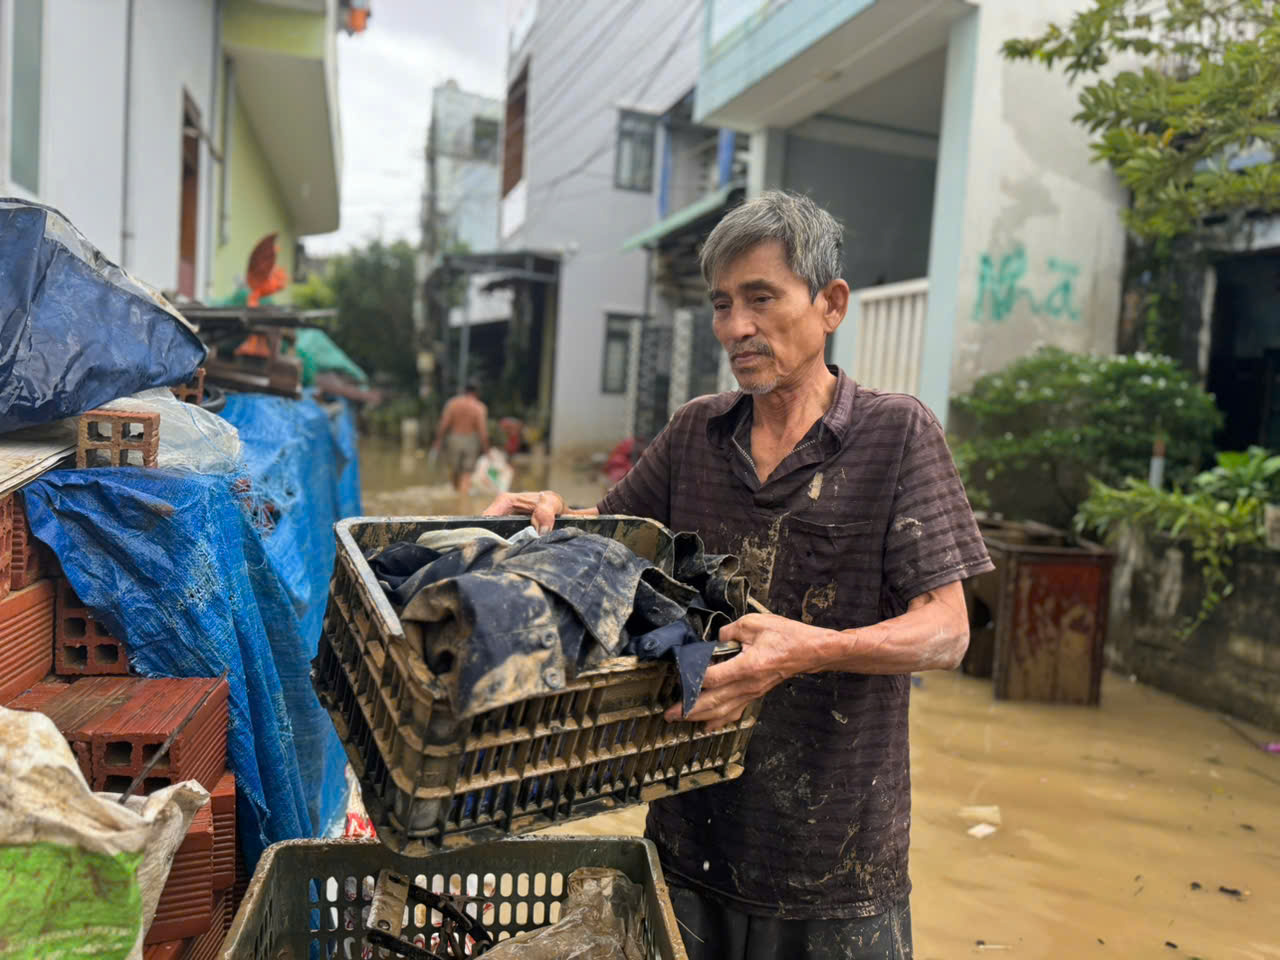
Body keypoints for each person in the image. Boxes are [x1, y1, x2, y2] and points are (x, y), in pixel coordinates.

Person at [484, 191, 993, 960]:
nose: (735, 327)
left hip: (838, 866)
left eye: (761, 298)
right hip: (689, 838)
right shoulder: (697, 430)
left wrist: (804, 649)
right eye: (722, 304)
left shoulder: (896, 434)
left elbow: (947, 631)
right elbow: (610, 537)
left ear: (831, 305)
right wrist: (548, 514)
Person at [432, 381, 489, 494]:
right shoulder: (479, 407)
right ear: (476, 393)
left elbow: (444, 424)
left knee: (454, 471)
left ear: (464, 391)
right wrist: (486, 449)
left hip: (454, 439)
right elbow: (482, 431)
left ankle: (456, 494)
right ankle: (462, 502)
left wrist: (437, 440)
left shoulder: (453, 403)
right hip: (471, 441)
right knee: (467, 473)